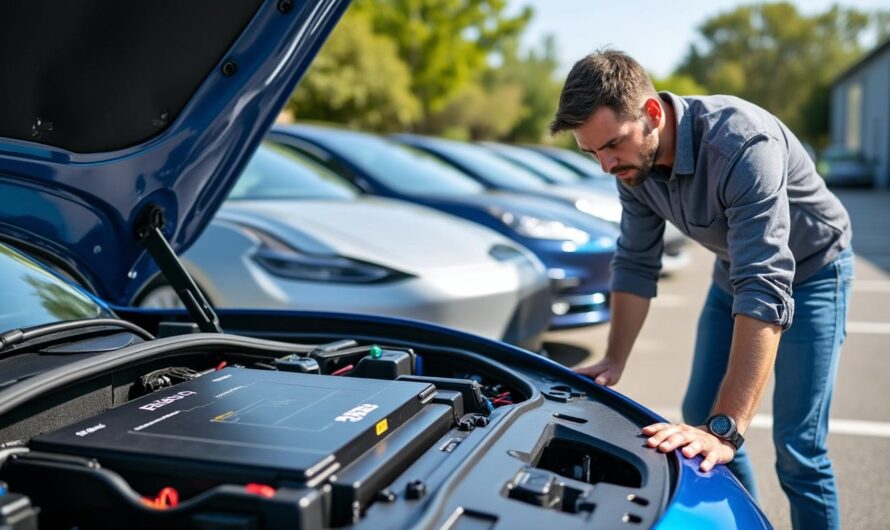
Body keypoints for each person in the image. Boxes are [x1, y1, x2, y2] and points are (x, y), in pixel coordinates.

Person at [550, 50, 852, 530]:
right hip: (735, 271)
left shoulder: (742, 144)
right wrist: (613, 359)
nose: (605, 165)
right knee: (699, 417)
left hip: (815, 272)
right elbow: (636, 260)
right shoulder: (633, 165)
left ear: (652, 113)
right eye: (592, 153)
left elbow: (764, 283)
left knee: (798, 449)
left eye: (612, 145)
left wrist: (726, 430)